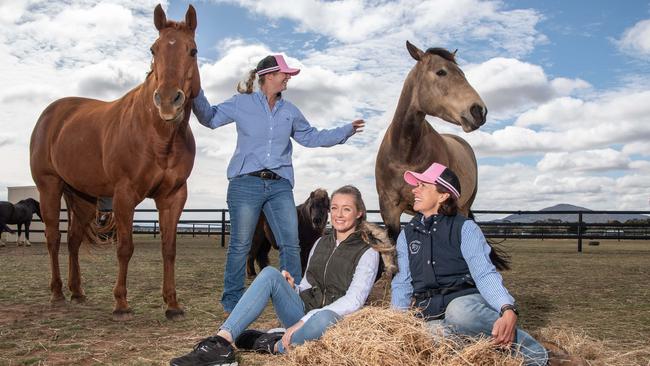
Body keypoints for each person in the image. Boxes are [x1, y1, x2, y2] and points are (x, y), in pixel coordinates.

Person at [192, 54, 365, 314]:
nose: (288, 78)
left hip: (279, 185)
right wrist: (194, 90)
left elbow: (311, 137)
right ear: (269, 76)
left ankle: (292, 299)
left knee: (290, 243)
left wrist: (345, 131)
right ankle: (233, 302)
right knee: (240, 244)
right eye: (285, 74)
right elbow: (210, 118)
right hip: (245, 183)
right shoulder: (242, 103)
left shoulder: (290, 111)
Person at [170, 185, 395, 366]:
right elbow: (309, 283)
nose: (338, 214)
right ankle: (221, 342)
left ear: (359, 213)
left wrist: (305, 321)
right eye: (334, 208)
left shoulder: (368, 252)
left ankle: (272, 344)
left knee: (323, 319)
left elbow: (354, 300)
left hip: (331, 322)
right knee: (269, 273)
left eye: (346, 209)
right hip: (302, 313)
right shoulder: (320, 243)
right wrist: (294, 288)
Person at [390, 162, 550, 366]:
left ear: (443, 195)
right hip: (430, 311)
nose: (414, 189)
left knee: (460, 313)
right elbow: (402, 282)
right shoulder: (407, 234)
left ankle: (537, 357)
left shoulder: (465, 228)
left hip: (464, 301)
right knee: (431, 335)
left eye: (423, 185)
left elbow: (484, 274)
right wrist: (396, 324)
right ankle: (482, 352)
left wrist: (507, 308)